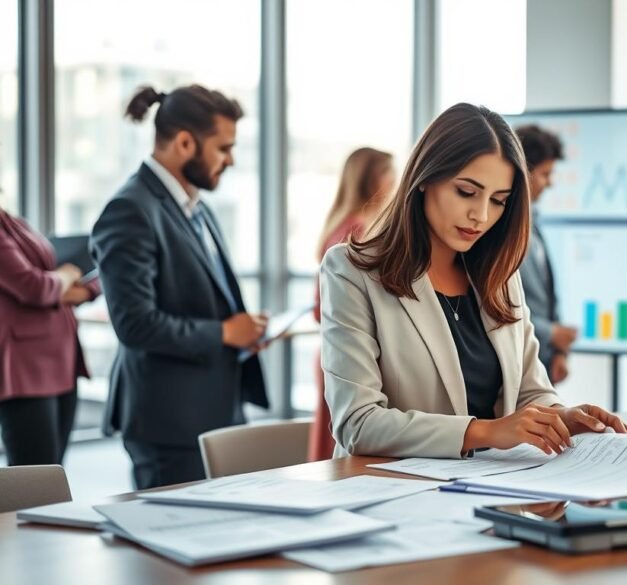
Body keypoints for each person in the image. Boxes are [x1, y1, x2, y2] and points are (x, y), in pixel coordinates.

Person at [320, 103, 627, 459]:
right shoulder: (352, 272)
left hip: (491, 489)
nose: (481, 215)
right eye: (467, 192)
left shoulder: (500, 276)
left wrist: (560, 418)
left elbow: (531, 392)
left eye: (498, 201)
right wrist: (484, 430)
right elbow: (357, 423)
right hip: (391, 493)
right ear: (425, 178)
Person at [90, 85, 268, 489]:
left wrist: (243, 332)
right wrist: (225, 332)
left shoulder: (196, 207)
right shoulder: (129, 210)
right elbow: (135, 325)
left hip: (215, 412)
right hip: (169, 424)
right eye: (224, 148)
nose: (231, 160)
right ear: (185, 142)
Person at [308, 147, 396, 461]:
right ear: (373, 179)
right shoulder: (359, 232)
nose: (395, 181)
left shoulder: (340, 224)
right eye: (390, 173)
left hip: (333, 351)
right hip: (349, 354)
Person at [0, 207, 100, 465]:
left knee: (54, 471)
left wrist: (71, 286)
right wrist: (68, 274)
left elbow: (50, 284)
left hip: (61, 359)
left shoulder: (11, 220)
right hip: (27, 369)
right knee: (35, 476)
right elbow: (35, 288)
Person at [514, 124, 577, 384]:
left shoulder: (533, 221)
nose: (550, 183)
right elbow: (497, 303)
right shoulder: (505, 231)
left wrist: (558, 350)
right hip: (518, 359)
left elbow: (548, 293)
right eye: (545, 174)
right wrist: (550, 333)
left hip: (542, 357)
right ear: (523, 172)